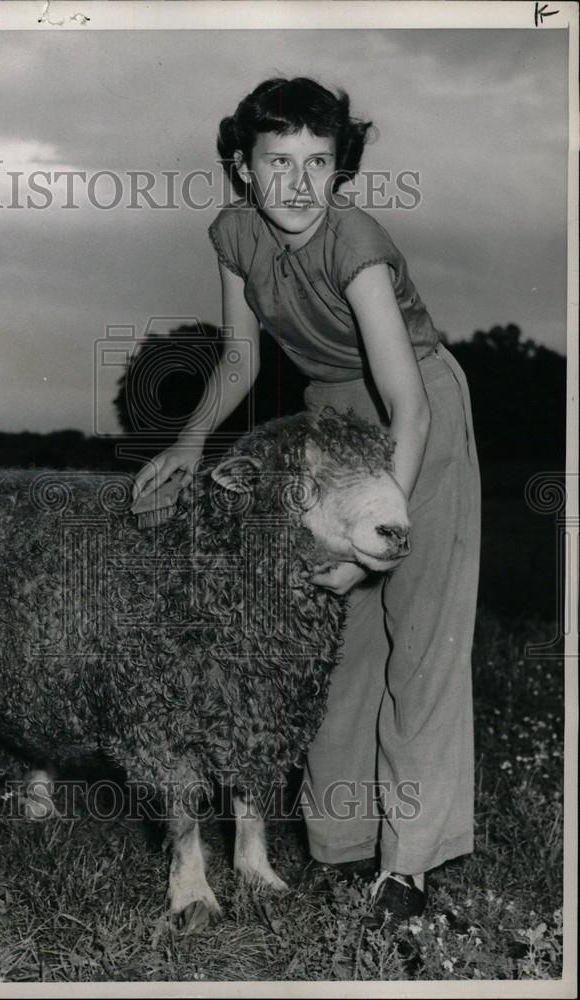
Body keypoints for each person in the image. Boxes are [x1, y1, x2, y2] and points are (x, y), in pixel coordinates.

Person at [132, 77, 481, 924]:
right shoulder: (233, 234)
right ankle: (341, 846)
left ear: (339, 168)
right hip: (331, 420)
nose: (297, 183)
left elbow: (410, 406)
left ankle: (406, 869)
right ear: (241, 168)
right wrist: (187, 444)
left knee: (419, 645)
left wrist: (378, 530)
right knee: (339, 643)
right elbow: (242, 363)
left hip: (412, 421)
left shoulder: (353, 238)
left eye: (317, 162)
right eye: (276, 161)